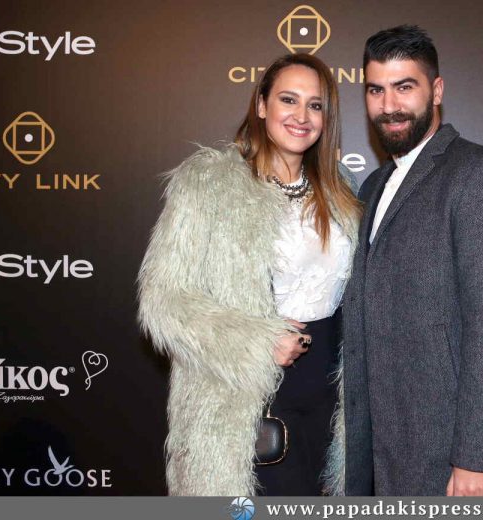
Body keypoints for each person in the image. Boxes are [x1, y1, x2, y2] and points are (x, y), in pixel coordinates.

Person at [138, 53, 360, 496]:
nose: (302, 116)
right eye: (288, 100)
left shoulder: (341, 188)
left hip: (330, 398)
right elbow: (163, 301)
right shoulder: (209, 184)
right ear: (261, 105)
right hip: (245, 399)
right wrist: (257, 341)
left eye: (315, 105)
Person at [342, 25, 483, 496]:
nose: (389, 105)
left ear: (437, 90)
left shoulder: (478, 172)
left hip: (448, 456)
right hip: (379, 451)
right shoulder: (374, 186)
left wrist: (476, 457)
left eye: (405, 87)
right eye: (376, 90)